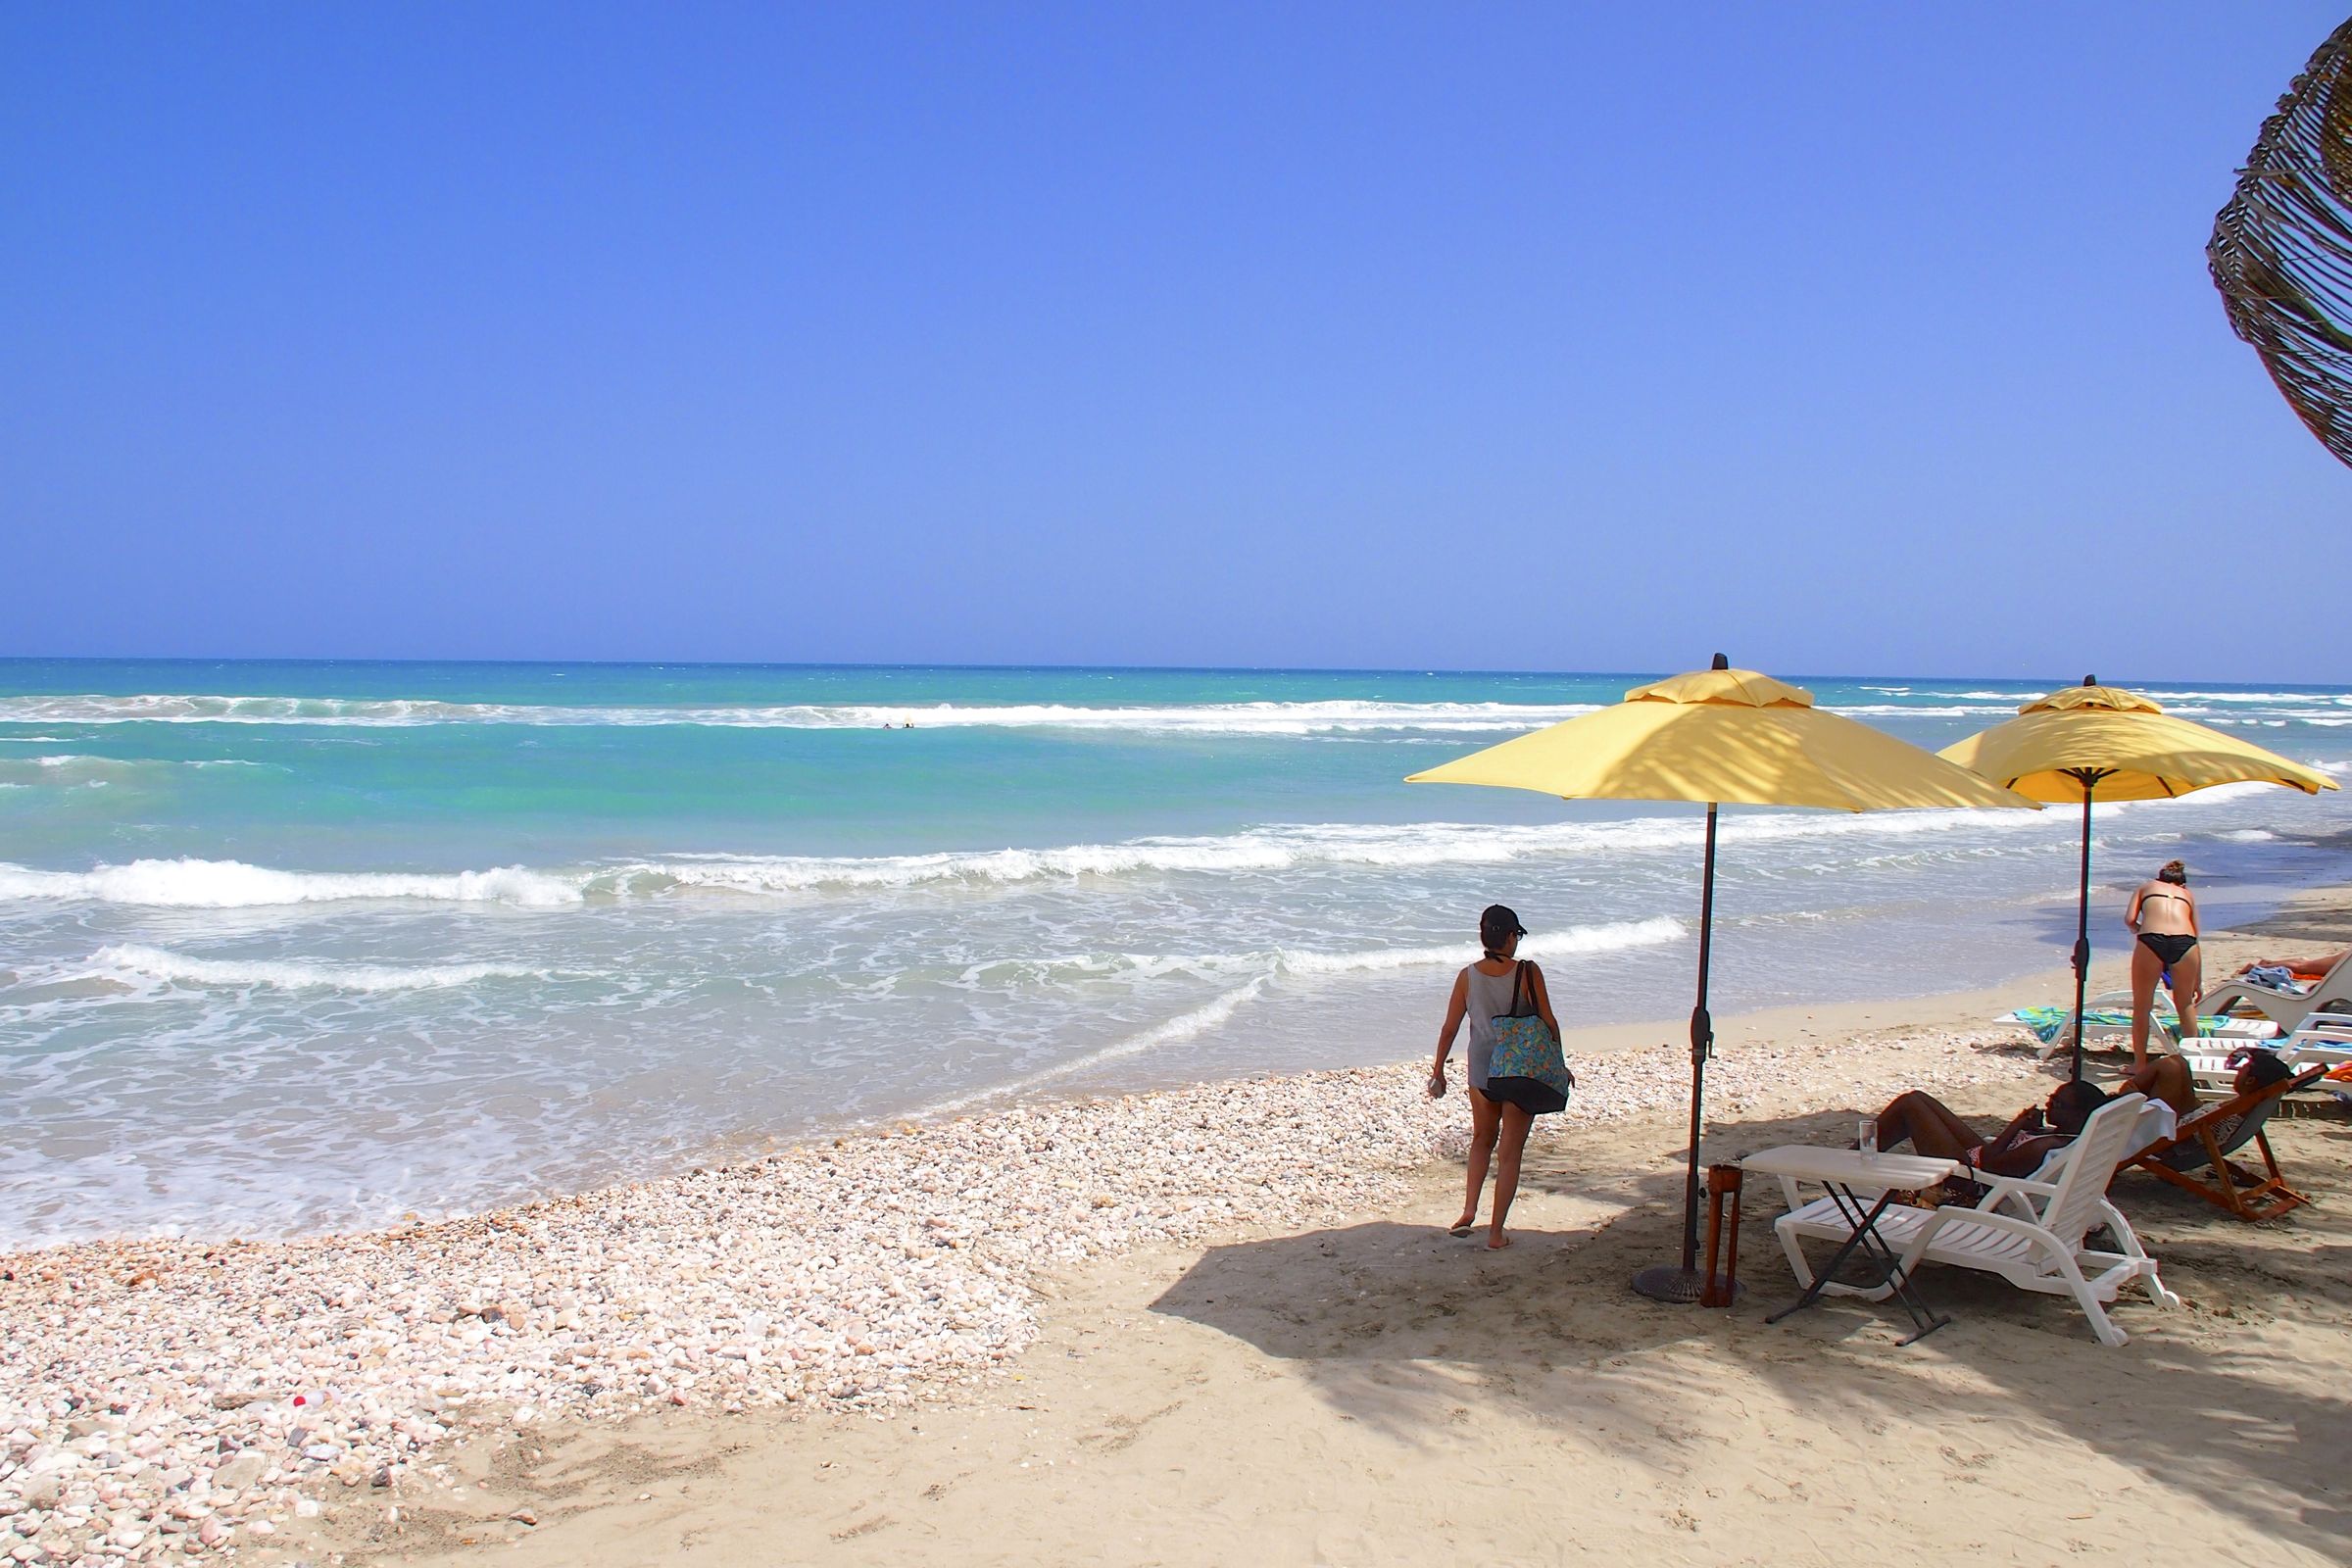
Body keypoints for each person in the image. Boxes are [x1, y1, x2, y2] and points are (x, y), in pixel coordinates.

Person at [1428, 904, 1562, 1250]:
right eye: (1516, 934)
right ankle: (1496, 1233)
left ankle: (1469, 1210)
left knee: (1482, 1140)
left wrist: (1438, 1070)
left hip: (1483, 1068)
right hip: (1520, 1069)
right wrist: (1557, 1063)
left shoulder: (1467, 976)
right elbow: (1548, 1020)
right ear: (1509, 937)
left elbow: (1449, 1028)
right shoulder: (1528, 973)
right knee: (1510, 1153)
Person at [1867, 1079, 2113, 1182]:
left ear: (2080, 1115)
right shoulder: (2063, 1137)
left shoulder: (2044, 1146)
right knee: (1917, 1098)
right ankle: (1859, 1154)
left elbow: (1989, 1162)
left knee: (1911, 1107)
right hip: (1978, 1161)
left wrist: (2017, 1124)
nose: (2048, 1104)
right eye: (2051, 1097)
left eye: (2057, 1104)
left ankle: (1853, 1158)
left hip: (1968, 1179)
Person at [2126, 860, 2200, 1067]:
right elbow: (2196, 935)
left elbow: (2130, 919)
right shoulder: (2188, 896)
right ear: (2182, 885)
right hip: (2185, 941)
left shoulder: (2145, 887)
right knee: (2185, 1004)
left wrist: (2141, 930)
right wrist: (2199, 982)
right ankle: (2191, 1063)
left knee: (2142, 1006)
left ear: (2160, 878)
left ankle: (2139, 1065)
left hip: (2152, 939)